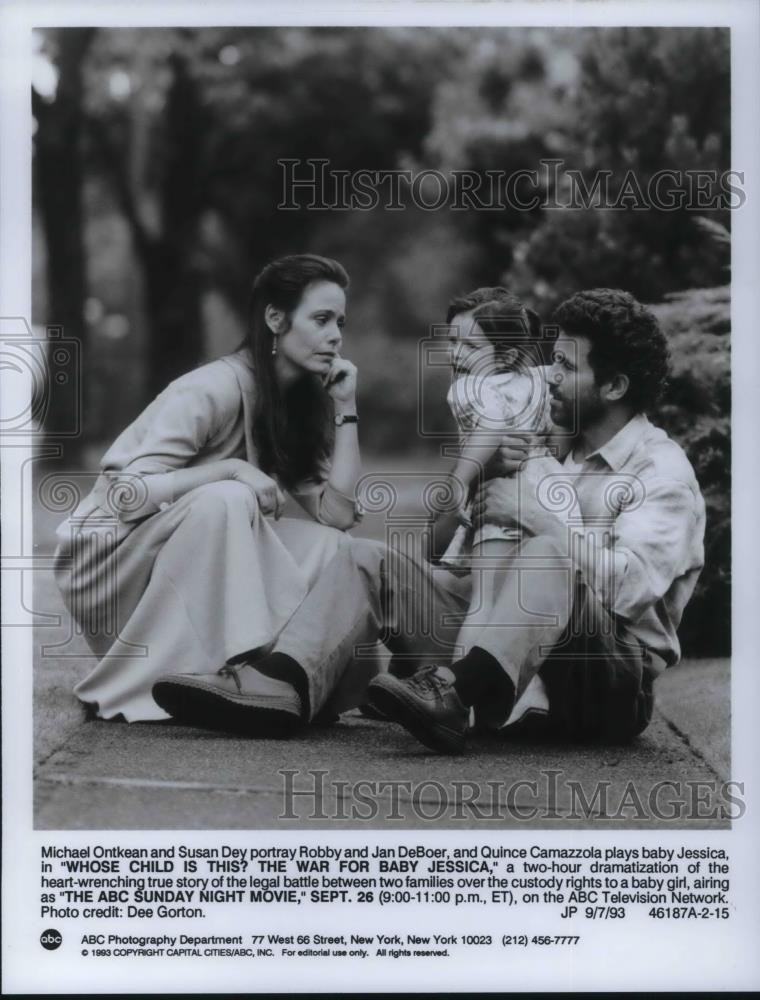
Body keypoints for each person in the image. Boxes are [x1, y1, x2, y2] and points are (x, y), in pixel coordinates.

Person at [367, 288, 706, 752]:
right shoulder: (545, 436)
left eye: (566, 367)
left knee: (550, 551)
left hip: (602, 678)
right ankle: (293, 686)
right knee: (369, 562)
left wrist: (534, 516)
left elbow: (631, 589)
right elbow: (439, 550)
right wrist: (481, 474)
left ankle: (454, 692)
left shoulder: (661, 473)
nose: (548, 377)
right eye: (551, 362)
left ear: (614, 387)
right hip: (510, 640)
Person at [54, 253, 363, 726]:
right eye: (320, 319)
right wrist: (231, 471)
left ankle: (285, 677)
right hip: (111, 560)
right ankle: (218, 669)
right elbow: (123, 495)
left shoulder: (293, 402)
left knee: (334, 549)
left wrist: (345, 407)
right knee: (228, 498)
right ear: (275, 319)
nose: (335, 335)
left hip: (187, 549)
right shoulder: (211, 388)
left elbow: (338, 515)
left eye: (339, 321)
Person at [439, 289, 557, 658]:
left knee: (485, 605)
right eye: (452, 341)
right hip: (549, 497)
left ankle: (460, 695)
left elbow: (491, 424)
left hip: (503, 496)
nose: (456, 354)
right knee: (527, 603)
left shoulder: (470, 388)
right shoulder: (540, 382)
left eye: (471, 346)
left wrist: (459, 477)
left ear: (505, 356)